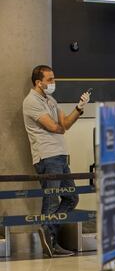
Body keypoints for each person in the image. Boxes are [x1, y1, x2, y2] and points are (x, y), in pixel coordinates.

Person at [22, 65, 91, 258]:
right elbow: (55, 127)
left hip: (60, 155)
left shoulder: (50, 100)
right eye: (50, 79)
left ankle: (48, 232)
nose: (53, 83)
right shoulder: (31, 102)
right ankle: (50, 240)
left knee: (71, 198)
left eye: (53, 79)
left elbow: (66, 123)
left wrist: (79, 107)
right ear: (39, 82)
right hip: (47, 156)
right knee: (51, 200)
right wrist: (60, 127)